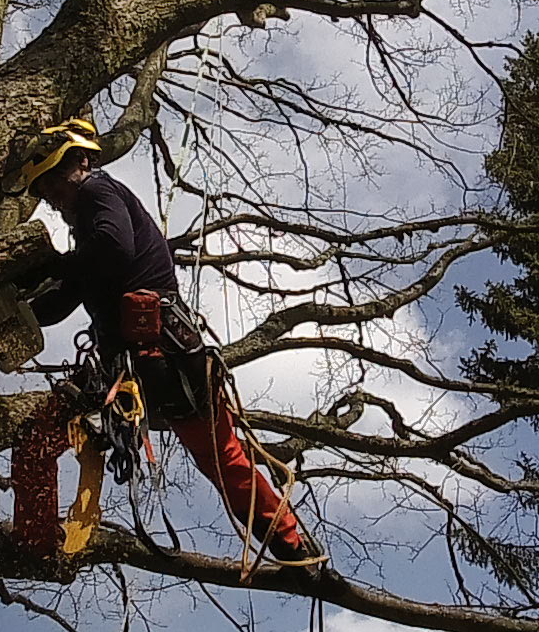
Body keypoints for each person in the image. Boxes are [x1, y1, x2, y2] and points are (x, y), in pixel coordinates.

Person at [18, 117, 321, 564]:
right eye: (44, 191)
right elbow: (65, 296)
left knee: (222, 459)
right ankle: (34, 545)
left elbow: (113, 248)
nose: (52, 198)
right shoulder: (88, 237)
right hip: (131, 371)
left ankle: (290, 545)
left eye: (52, 184)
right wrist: (17, 305)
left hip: (164, 358)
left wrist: (52, 265)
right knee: (42, 433)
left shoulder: (98, 192)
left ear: (79, 162)